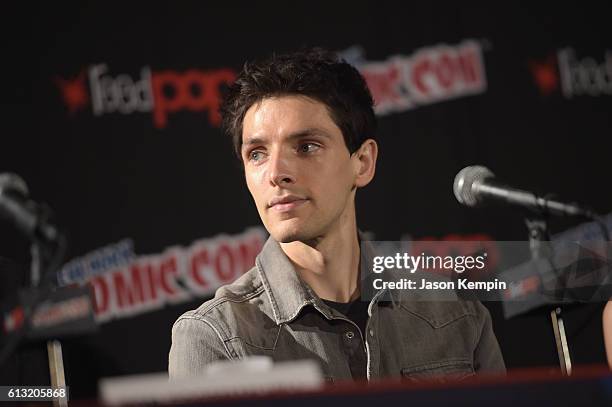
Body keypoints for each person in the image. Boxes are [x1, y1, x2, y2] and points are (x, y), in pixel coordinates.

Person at [168, 48, 505, 381]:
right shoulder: (216, 337)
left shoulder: (456, 311)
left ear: (362, 163)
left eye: (306, 146)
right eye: (256, 153)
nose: (276, 173)